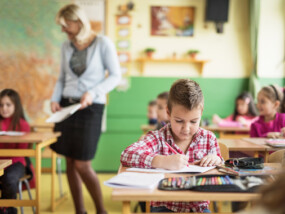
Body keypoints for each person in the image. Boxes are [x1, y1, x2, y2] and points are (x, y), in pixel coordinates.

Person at [50, 4, 121, 214]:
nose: (63, 30)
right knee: (70, 161)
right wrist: (55, 99)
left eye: (66, 25)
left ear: (78, 22)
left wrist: (93, 92)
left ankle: (101, 210)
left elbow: (115, 76)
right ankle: (79, 211)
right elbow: (62, 78)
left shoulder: (102, 43)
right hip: (66, 107)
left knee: (82, 164)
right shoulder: (66, 46)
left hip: (91, 108)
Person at [121, 79, 223, 213]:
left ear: (201, 112)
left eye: (193, 121)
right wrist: (161, 161)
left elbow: (222, 170)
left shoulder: (209, 138)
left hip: (198, 208)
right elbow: (127, 154)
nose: (186, 128)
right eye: (179, 121)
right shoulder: (158, 138)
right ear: (168, 113)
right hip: (164, 207)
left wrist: (216, 160)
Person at [0, 89, 32, 214]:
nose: (4, 108)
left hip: (16, 162)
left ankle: (8, 209)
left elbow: (21, 151)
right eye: (1, 105)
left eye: (8, 105)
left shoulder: (23, 125)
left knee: (9, 178)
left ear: (16, 106)